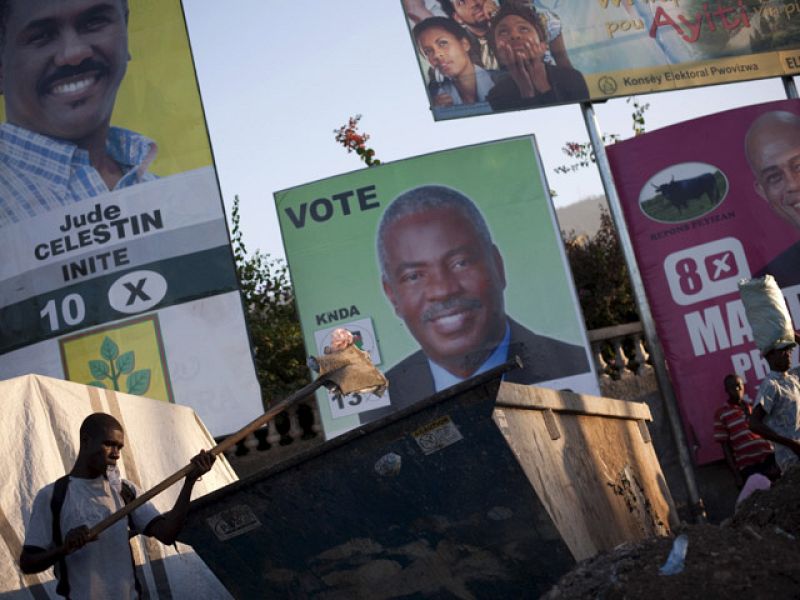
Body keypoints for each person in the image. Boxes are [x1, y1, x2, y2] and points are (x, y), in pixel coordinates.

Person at [359, 184, 589, 422]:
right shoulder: (379, 405)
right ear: (392, 295)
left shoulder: (574, 365)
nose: (443, 290)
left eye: (461, 263)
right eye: (414, 276)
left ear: (498, 266)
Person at [19, 412, 215, 599]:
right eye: (109, 444)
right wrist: (65, 548)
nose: (116, 454)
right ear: (86, 442)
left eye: (119, 447)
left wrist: (189, 481)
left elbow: (167, 534)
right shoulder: (53, 495)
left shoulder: (124, 490)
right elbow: (28, 563)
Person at [0, 0, 157, 229]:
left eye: (94, 22)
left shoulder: (175, 198)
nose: (74, 53)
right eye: (41, 36)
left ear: (125, 30)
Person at [486, 2, 588, 112]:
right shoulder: (497, 95)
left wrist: (542, 85)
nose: (515, 36)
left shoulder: (572, 79)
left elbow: (570, 120)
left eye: (523, 29)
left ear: (543, 46)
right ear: (496, 52)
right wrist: (527, 91)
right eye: (503, 32)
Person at [745, 110, 800, 287]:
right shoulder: (770, 286)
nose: (792, 184)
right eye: (774, 177)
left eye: (799, 166)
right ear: (763, 192)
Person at [413, 17, 500, 107]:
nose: (437, 55)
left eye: (443, 43)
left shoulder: (503, 82)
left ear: (464, 44)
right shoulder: (431, 98)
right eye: (428, 51)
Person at [713, 374, 778, 488]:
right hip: (748, 466)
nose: (737, 389)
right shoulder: (722, 414)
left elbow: (771, 432)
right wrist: (737, 475)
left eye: (739, 385)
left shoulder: (754, 407)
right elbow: (726, 448)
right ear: (727, 390)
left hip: (770, 458)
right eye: (732, 387)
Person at [749, 342, 800, 474]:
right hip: (791, 458)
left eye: (789, 350)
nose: (788, 354)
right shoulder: (771, 385)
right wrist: (792, 444)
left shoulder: (793, 377)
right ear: (770, 356)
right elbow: (754, 424)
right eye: (783, 350)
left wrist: (790, 335)